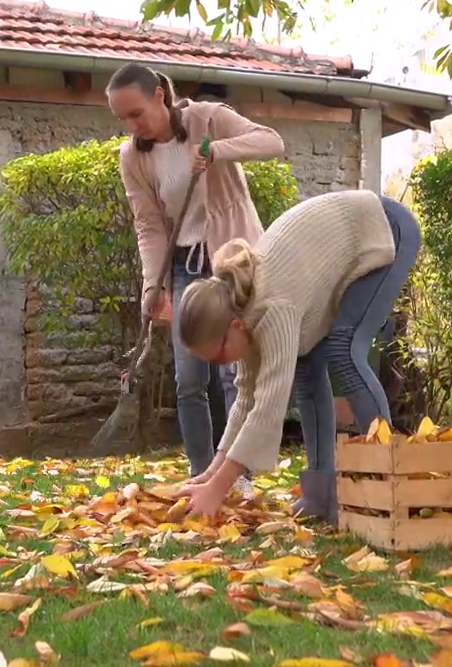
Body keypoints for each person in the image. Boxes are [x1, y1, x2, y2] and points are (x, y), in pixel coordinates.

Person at [173, 189, 422, 522]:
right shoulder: (241, 316)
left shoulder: (271, 308)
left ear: (233, 326)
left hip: (384, 230)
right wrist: (210, 474)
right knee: (306, 369)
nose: (222, 365)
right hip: (353, 244)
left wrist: (219, 489)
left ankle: (392, 492)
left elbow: (269, 407)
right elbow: (246, 401)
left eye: (218, 357)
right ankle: (321, 499)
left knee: (345, 351)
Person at [106, 62, 286, 483]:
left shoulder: (209, 118)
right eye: (122, 119)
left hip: (229, 266)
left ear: (159, 96)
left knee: (233, 373)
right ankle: (200, 471)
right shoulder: (132, 156)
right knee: (189, 379)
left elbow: (271, 142)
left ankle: (238, 476)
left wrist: (217, 150)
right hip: (185, 268)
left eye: (136, 113)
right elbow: (148, 223)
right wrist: (153, 283)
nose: (132, 125)